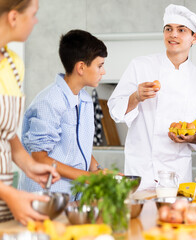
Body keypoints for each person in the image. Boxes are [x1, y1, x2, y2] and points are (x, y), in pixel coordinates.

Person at [108, 4, 196, 190]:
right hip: (141, 168)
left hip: (177, 170)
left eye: (181, 30)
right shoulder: (140, 66)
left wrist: (189, 137)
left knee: (173, 217)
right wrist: (136, 97)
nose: (173, 35)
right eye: (168, 29)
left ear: (194, 37)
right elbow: (115, 109)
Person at [19, 29, 108, 201]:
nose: (103, 72)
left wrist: (99, 171)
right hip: (45, 196)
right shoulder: (50, 102)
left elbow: (77, 145)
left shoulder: (85, 99)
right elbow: (40, 158)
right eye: (100, 66)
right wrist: (89, 178)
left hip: (72, 196)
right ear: (81, 67)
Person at [0, 0, 60, 225]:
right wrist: (9, 194)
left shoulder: (14, 65)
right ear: (14, 17)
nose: (36, 21)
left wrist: (27, 163)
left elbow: (4, 131)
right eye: (33, 14)